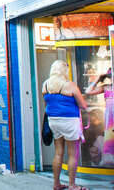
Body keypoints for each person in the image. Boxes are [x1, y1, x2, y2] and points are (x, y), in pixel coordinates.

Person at [43, 60, 88, 190]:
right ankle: (72, 185)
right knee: (73, 153)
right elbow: (82, 105)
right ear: (64, 71)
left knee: (58, 152)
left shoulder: (45, 85)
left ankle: (56, 184)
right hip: (69, 121)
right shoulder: (70, 85)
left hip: (54, 121)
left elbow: (47, 104)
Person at [85, 70, 114, 165]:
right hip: (110, 120)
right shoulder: (107, 87)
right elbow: (88, 91)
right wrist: (98, 78)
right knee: (110, 141)